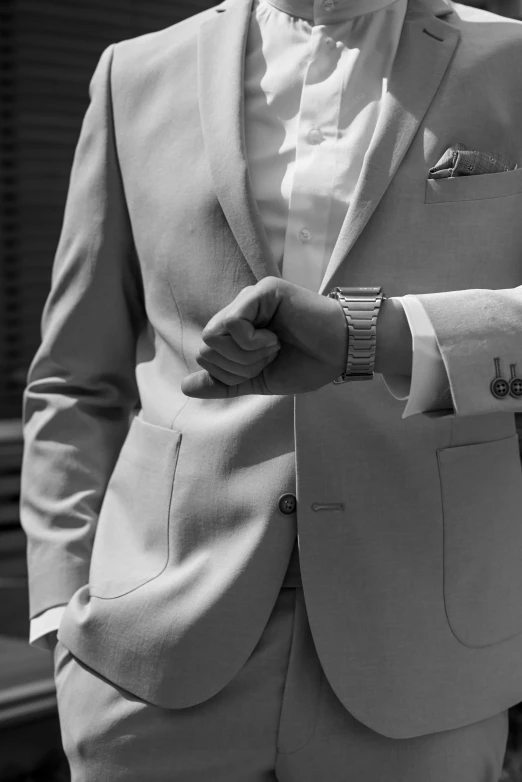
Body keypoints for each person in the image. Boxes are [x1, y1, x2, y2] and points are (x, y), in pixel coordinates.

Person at [19, 0, 522, 779]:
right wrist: (60, 606)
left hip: (425, 665)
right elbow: (74, 379)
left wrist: (377, 336)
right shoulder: (135, 71)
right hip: (148, 670)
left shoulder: (511, 60)